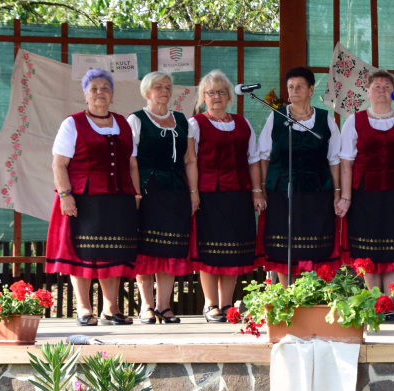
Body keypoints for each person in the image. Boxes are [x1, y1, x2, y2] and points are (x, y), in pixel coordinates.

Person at [47, 69, 139, 326]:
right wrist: (65, 195)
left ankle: (111, 309)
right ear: (85, 94)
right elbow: (59, 164)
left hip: (119, 198)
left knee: (114, 253)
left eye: (105, 88)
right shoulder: (72, 123)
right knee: (83, 254)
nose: (100, 92)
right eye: (94, 88)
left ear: (112, 94)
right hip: (84, 199)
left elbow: (132, 163)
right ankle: (84, 309)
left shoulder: (122, 122)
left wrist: (136, 193)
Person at [336, 70, 394, 294]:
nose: (382, 90)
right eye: (377, 86)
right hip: (365, 194)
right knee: (368, 247)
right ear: (367, 92)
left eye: (387, 87)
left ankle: (390, 303)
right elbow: (346, 162)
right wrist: (345, 197)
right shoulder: (354, 120)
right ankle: (374, 302)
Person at [188, 69, 264, 322]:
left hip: (239, 194)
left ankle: (227, 304)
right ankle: (211, 305)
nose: (217, 96)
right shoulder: (195, 124)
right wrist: (194, 193)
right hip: (210, 195)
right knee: (210, 250)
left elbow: (253, 160)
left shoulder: (242, 122)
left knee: (233, 250)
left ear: (230, 95)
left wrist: (256, 192)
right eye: (211, 93)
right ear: (203, 97)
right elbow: (191, 161)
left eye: (221, 92)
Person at [259, 66, 342, 286]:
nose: (294, 91)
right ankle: (287, 293)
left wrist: (337, 192)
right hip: (281, 191)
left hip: (317, 190)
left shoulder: (325, 119)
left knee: (313, 239)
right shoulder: (276, 117)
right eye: (291, 87)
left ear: (311, 89)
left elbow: (334, 160)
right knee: (284, 243)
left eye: (300, 86)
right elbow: (264, 156)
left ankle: (310, 292)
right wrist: (263, 189)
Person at [127, 71, 198, 324]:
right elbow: (131, 160)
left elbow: (190, 160)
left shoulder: (182, 120)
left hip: (177, 189)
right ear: (147, 91)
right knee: (147, 249)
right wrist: (135, 193)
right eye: (158, 86)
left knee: (170, 248)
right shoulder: (136, 120)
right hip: (148, 188)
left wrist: (193, 192)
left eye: (168, 86)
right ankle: (146, 306)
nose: (164, 90)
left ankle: (164, 306)